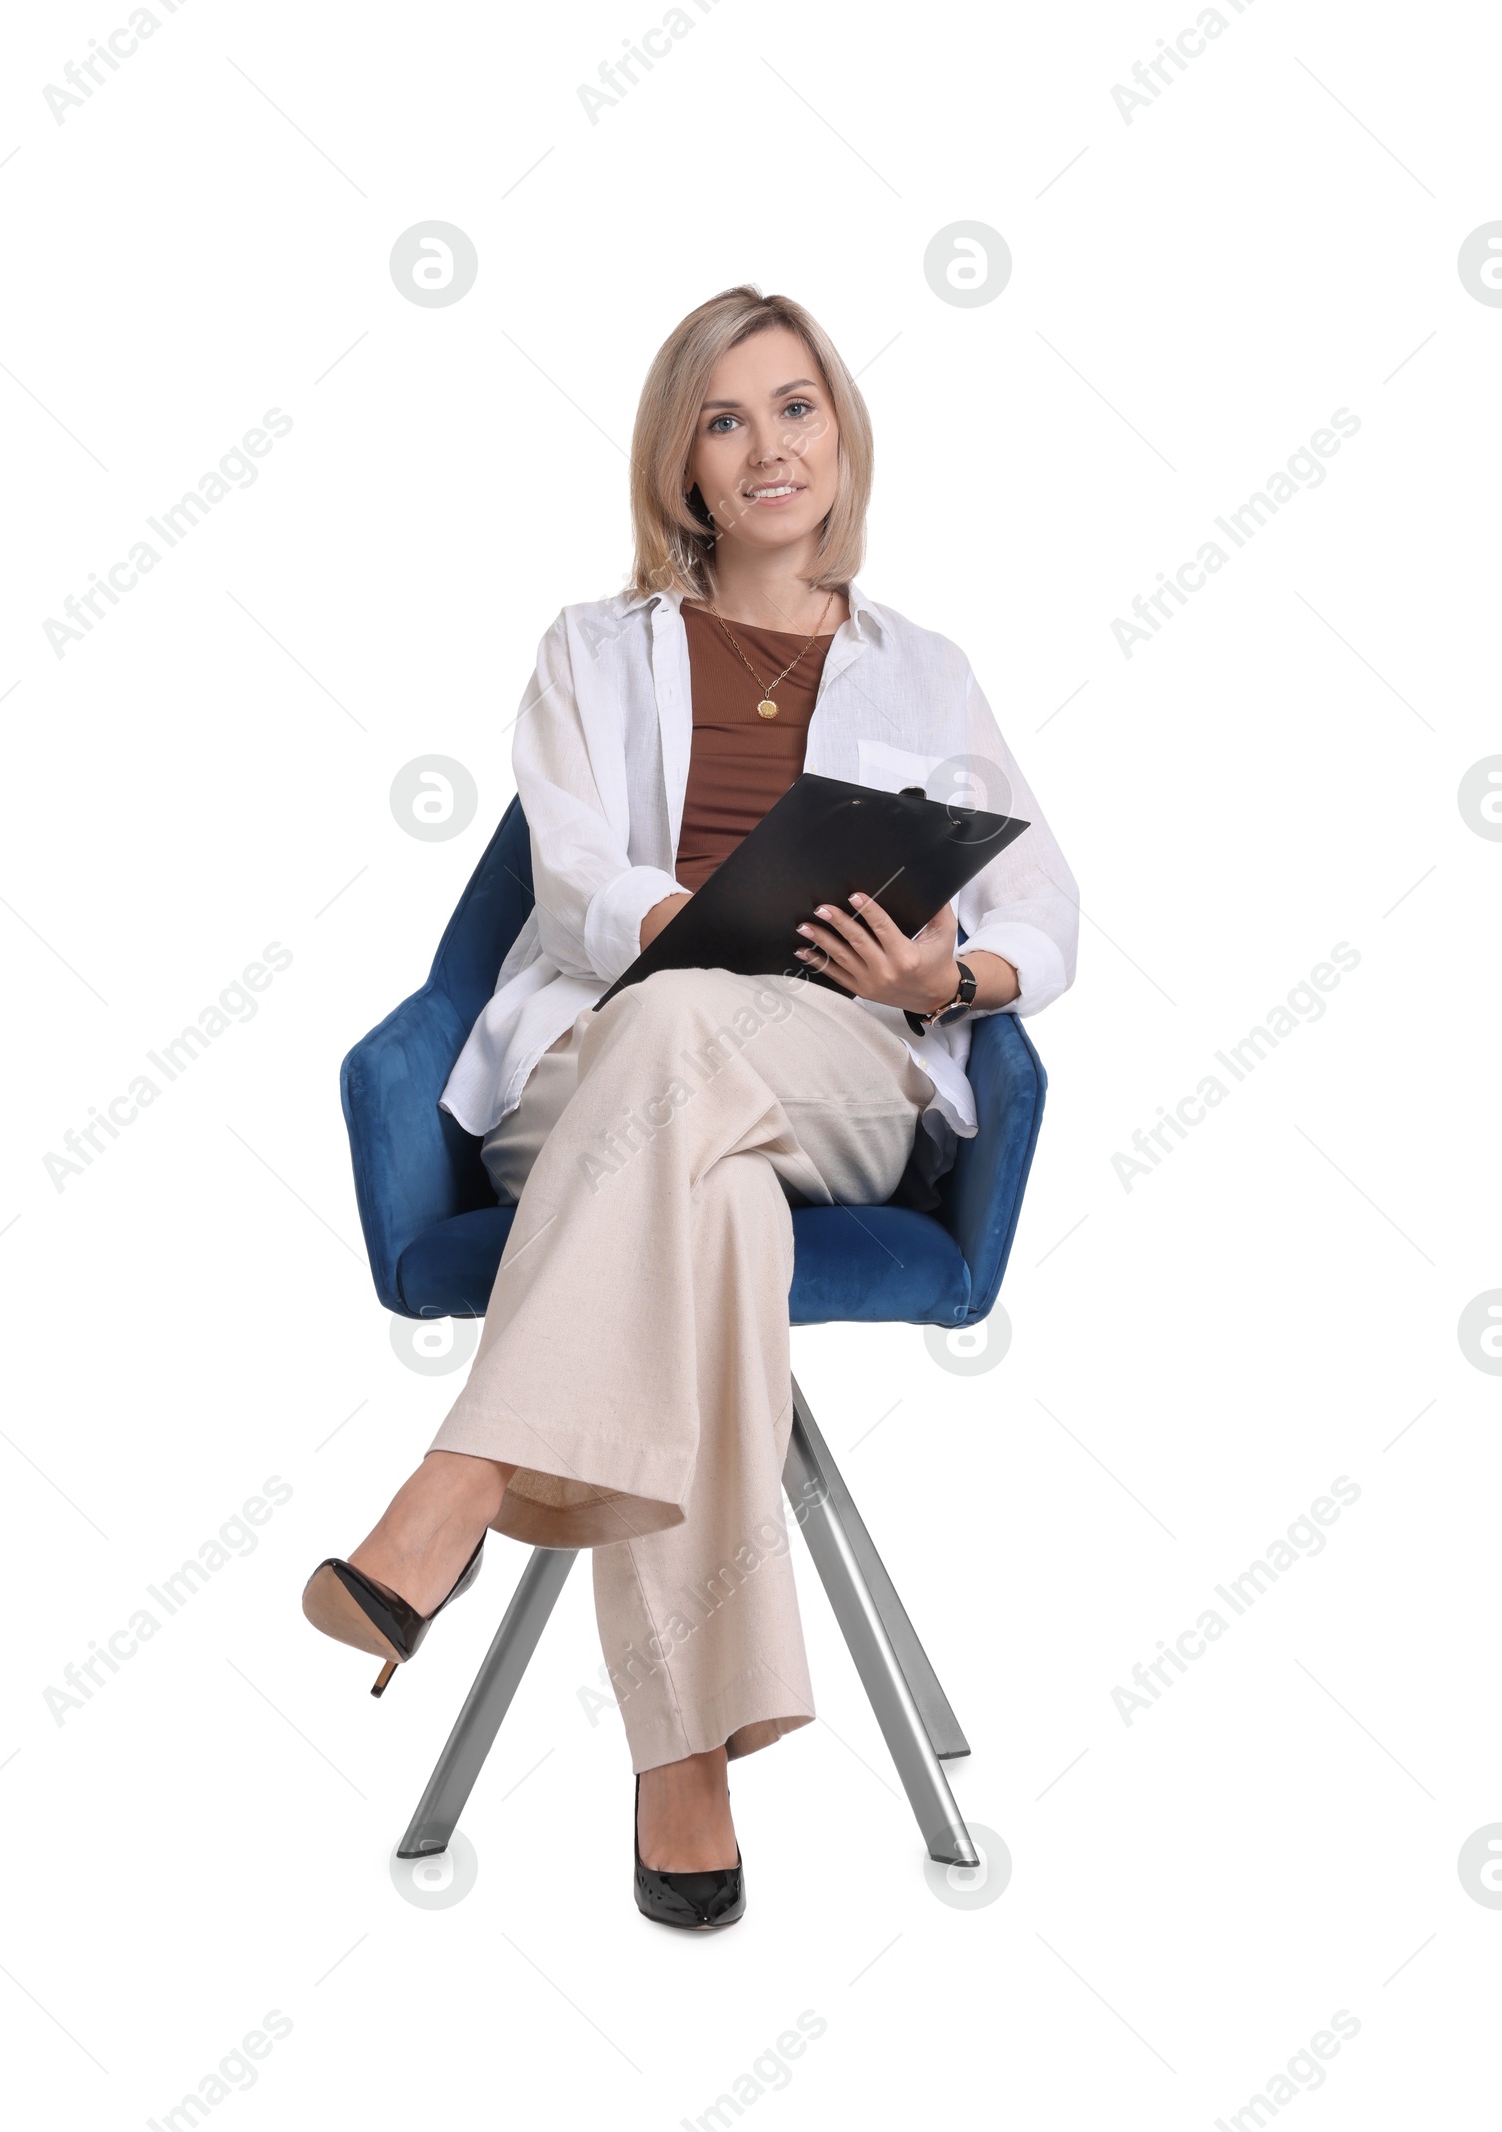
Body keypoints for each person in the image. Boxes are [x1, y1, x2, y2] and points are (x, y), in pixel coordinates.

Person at [303, 285, 1079, 1928]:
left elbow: (1046, 917)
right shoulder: (592, 651)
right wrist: (691, 936)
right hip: (610, 1062)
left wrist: (940, 983)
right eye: (726, 419)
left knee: (702, 1057)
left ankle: (462, 1484)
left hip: (846, 1076)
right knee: (698, 1167)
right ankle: (687, 1758)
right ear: (685, 465)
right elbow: (573, 870)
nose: (769, 444)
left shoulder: (927, 674)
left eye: (796, 407)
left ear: (841, 435)